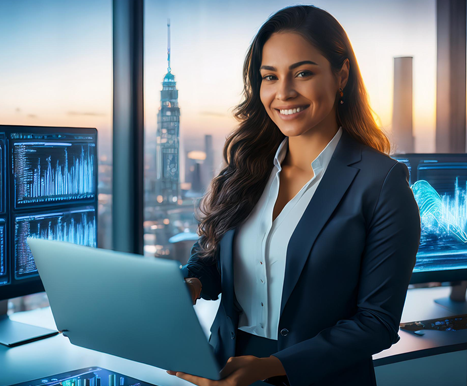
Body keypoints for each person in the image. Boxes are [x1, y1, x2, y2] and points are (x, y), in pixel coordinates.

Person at [166, 5, 421, 386]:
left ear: (342, 75)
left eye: (303, 73)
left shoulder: (382, 183)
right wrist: (193, 284)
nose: (283, 92)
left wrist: (273, 367)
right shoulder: (245, 169)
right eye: (270, 76)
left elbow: (377, 323)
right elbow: (211, 259)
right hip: (221, 372)